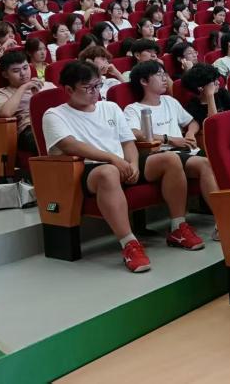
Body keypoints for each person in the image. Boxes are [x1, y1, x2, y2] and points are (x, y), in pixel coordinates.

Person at [42, 62, 207, 273]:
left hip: (122, 163)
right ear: (68, 89)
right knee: (108, 172)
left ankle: (178, 227)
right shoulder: (54, 115)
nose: (96, 92)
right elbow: (70, 145)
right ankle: (129, 243)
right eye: (88, 88)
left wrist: (133, 163)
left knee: (170, 159)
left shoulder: (110, 107)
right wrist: (113, 159)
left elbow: (128, 142)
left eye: (98, 85)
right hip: (89, 169)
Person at [124, 60, 219, 225]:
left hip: (185, 151)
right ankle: (223, 220)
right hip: (161, 153)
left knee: (218, 159)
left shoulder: (170, 101)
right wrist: (169, 139)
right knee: (205, 164)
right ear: (144, 81)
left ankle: (228, 216)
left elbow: (192, 122)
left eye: (164, 74)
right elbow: (134, 133)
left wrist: (190, 133)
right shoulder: (133, 109)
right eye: (159, 75)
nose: (164, 79)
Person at [0, 51, 56, 152]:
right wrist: (23, 87)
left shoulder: (46, 85)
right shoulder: (1, 92)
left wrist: (39, 95)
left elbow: (63, 104)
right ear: (5, 75)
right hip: (29, 129)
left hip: (54, 121)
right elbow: (6, 113)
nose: (23, 74)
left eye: (25, 68)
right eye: (16, 71)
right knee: (56, 141)